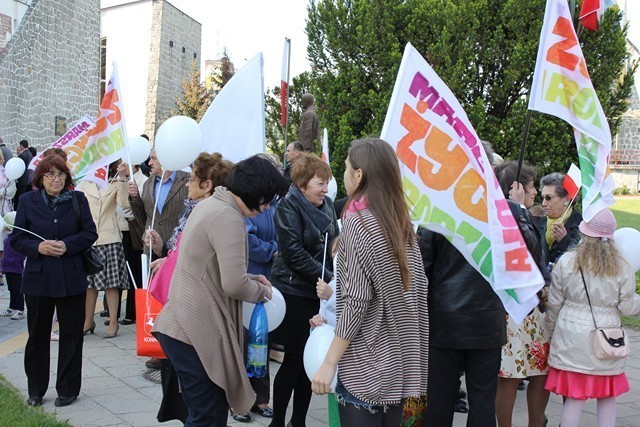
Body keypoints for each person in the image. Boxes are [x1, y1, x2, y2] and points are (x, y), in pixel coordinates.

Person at [153, 155, 290, 426]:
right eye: (266, 200)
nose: (265, 208)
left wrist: (250, 277)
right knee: (208, 417)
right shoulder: (228, 217)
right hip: (195, 331)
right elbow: (234, 284)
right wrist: (261, 293)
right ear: (255, 191)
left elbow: (212, 269)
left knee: (202, 413)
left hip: (185, 326)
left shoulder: (212, 204)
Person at [311, 138, 429, 426]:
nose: (344, 175)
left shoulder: (357, 223)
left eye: (347, 169)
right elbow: (420, 291)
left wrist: (329, 363)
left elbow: (355, 300)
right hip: (407, 368)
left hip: (367, 366)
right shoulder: (402, 223)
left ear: (359, 175)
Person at [420, 141, 506, 426]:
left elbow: (423, 269)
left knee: (439, 400)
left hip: (446, 320)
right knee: (482, 401)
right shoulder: (503, 213)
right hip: (487, 320)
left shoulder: (438, 209)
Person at [143, 152, 233, 424]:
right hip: (180, 306)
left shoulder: (211, 213)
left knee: (196, 398)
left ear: (208, 185)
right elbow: (177, 249)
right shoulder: (194, 207)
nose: (187, 183)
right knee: (189, 393)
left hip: (192, 312)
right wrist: (162, 249)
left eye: (193, 179)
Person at [11, 154, 98, 407]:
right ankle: (36, 390)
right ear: (40, 178)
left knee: (72, 334)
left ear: (67, 177)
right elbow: (17, 239)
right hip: (38, 279)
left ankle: (68, 389)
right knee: (37, 336)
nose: (56, 179)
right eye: (50, 175)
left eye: (60, 174)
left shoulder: (78, 199)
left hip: (71, 277)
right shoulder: (28, 201)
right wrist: (38, 247)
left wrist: (66, 245)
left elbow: (90, 233)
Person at [545, 208, 640, 427]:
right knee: (607, 396)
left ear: (584, 232)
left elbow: (555, 303)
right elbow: (627, 307)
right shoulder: (621, 266)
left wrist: (550, 333)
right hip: (607, 339)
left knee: (574, 398)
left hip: (571, 337)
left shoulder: (567, 261)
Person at [269, 153, 339, 427]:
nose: (325, 189)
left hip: (318, 293)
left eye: (326, 183)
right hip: (294, 290)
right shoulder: (289, 207)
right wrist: (330, 278)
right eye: (319, 183)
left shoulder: (329, 205)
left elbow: (331, 246)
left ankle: (298, 420)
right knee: (295, 358)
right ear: (301, 184)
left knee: (308, 362)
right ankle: (278, 420)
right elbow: (294, 254)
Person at [494, 160, 551, 427]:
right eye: (530, 186)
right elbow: (526, 246)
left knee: (541, 373)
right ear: (515, 188)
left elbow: (539, 257)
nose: (535, 192)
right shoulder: (505, 217)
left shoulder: (525, 213)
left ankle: (536, 424)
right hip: (512, 310)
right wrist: (516, 208)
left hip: (533, 308)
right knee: (510, 375)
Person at [127, 149, 188, 370]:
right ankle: (156, 347)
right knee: (156, 300)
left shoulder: (186, 180)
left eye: (153, 158)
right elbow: (143, 216)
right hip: (152, 247)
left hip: (174, 247)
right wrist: (133, 199)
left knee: (174, 299)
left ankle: (173, 348)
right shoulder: (148, 183)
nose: (149, 162)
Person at [78, 161, 130, 338]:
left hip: (110, 237)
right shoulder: (85, 183)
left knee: (111, 284)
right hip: (90, 239)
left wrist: (123, 178)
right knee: (89, 284)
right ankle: (87, 321)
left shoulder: (116, 182)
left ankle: (113, 322)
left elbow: (124, 203)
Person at [120, 162, 149, 325]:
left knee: (138, 271)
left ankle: (135, 311)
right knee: (131, 270)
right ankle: (131, 310)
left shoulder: (143, 180)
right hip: (125, 229)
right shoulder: (123, 179)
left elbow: (141, 209)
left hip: (137, 231)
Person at [538, 172, 582, 269]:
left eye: (548, 198)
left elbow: (583, 260)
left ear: (566, 199)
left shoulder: (582, 224)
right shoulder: (539, 221)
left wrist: (564, 240)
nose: (544, 203)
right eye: (542, 198)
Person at [0, 229, 25, 320]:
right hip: (7, 266)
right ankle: (12, 307)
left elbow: (22, 253)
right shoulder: (8, 235)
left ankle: (20, 309)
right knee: (11, 288)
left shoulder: (19, 236)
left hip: (16, 266)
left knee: (18, 288)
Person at [14, 139, 33, 210]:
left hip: (22, 179)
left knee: (19, 196)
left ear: (21, 146)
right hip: (27, 179)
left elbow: (19, 166)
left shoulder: (23, 155)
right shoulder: (30, 154)